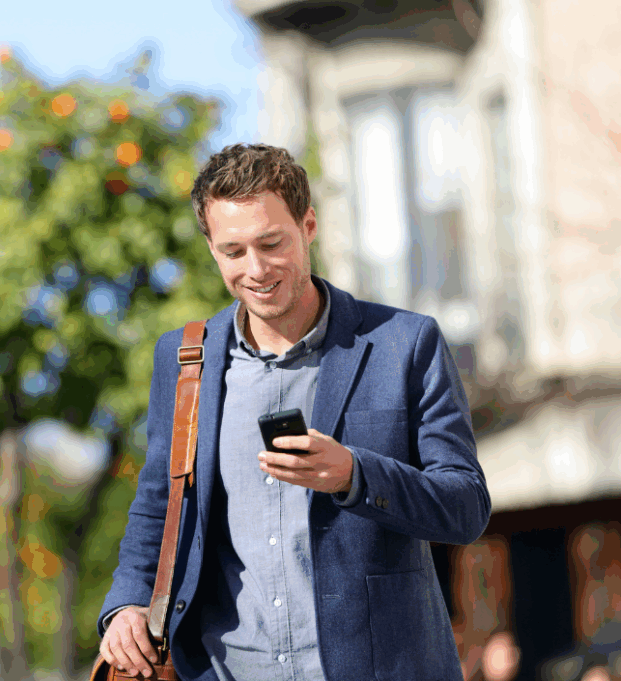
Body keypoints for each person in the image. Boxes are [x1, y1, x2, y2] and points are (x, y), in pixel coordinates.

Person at [97, 143, 491, 681]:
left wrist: (354, 475)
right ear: (211, 248)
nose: (256, 269)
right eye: (233, 251)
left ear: (308, 226)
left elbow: (465, 507)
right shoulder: (186, 359)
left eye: (271, 243)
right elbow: (160, 502)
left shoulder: (405, 343)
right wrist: (127, 603)